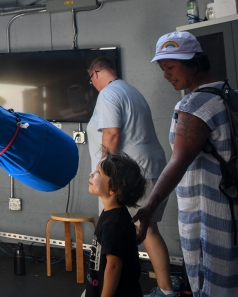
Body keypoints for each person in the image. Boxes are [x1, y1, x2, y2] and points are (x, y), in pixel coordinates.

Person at [134, 31, 238, 296]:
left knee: (215, 284)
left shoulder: (194, 104)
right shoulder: (228, 95)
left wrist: (150, 206)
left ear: (195, 62)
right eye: (162, 68)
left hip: (214, 215)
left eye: (170, 66)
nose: (166, 74)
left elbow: (178, 162)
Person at [86, 56, 172, 297]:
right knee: (147, 229)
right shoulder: (131, 91)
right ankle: (165, 291)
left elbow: (112, 134)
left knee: (124, 233)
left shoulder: (108, 94)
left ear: (95, 74)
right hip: (150, 170)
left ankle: (157, 291)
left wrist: (104, 171)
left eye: (91, 79)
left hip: (131, 176)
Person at [86, 151, 146, 297]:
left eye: (98, 172)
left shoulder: (114, 224)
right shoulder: (112, 214)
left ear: (114, 189)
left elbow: (114, 265)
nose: (91, 174)